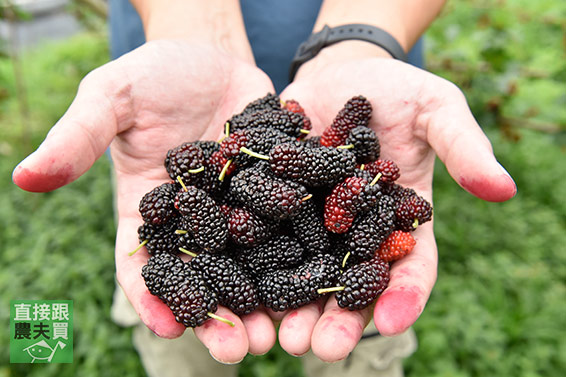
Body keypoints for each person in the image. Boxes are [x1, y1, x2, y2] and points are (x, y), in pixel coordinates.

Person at [12, 0, 517, 376]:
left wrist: (359, 39)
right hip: (183, 79)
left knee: (353, 337)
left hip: (360, 55)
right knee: (179, 328)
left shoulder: (331, 183)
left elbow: (321, 212)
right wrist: (194, 31)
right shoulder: (202, 199)